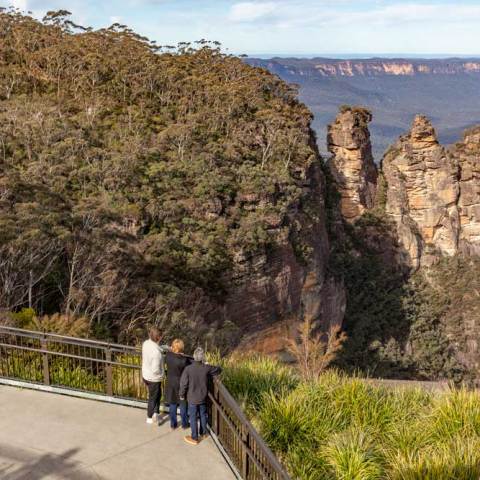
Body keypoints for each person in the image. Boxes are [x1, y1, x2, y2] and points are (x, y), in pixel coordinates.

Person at [179, 347, 221, 445]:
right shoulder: (206, 368)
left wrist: (181, 394)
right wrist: (207, 364)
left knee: (193, 417)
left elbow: (183, 383)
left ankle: (194, 437)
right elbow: (218, 370)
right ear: (202, 358)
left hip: (192, 397)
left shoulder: (188, 369)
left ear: (194, 357)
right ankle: (204, 432)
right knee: (202, 414)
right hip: (202, 397)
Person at [141, 326, 167, 424]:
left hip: (146, 374)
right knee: (153, 397)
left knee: (158, 394)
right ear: (158, 337)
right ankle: (149, 417)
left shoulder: (146, 343)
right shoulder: (157, 353)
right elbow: (155, 369)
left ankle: (156, 413)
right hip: (153, 378)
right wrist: (162, 374)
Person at [164, 339, 190, 430]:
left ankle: (173, 424)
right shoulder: (184, 360)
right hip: (180, 383)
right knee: (183, 404)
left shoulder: (168, 356)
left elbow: (169, 353)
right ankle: (184, 424)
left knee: (173, 404)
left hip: (170, 382)